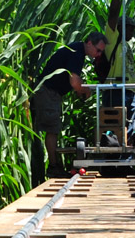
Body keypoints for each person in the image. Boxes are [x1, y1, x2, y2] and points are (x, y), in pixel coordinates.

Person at [29, 31, 107, 185]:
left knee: (54, 128)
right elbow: (74, 81)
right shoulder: (77, 53)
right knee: (52, 129)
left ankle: (54, 165)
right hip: (48, 92)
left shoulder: (77, 50)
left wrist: (80, 89)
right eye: (98, 50)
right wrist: (85, 91)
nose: (98, 54)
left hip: (51, 93)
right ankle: (53, 167)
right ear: (89, 42)